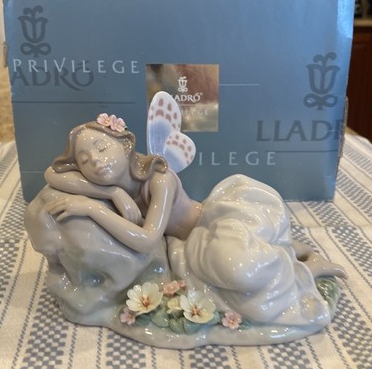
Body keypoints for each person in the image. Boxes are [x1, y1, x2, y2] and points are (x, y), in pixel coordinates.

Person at [43, 114, 345, 325]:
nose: (96, 160)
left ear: (125, 145)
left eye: (101, 147)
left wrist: (93, 208)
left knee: (241, 272)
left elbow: (147, 239)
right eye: (84, 160)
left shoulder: (159, 179)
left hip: (210, 226)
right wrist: (110, 192)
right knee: (239, 279)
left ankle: (304, 267)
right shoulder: (115, 186)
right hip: (189, 246)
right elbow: (52, 173)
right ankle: (294, 257)